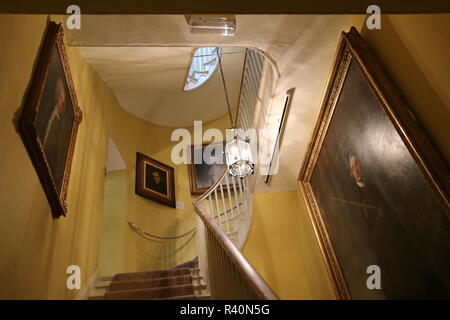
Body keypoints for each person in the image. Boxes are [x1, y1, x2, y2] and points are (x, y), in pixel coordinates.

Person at [42, 78, 73, 191]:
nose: (62, 105)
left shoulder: (60, 125)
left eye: (64, 103)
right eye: (61, 100)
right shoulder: (47, 114)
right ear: (57, 98)